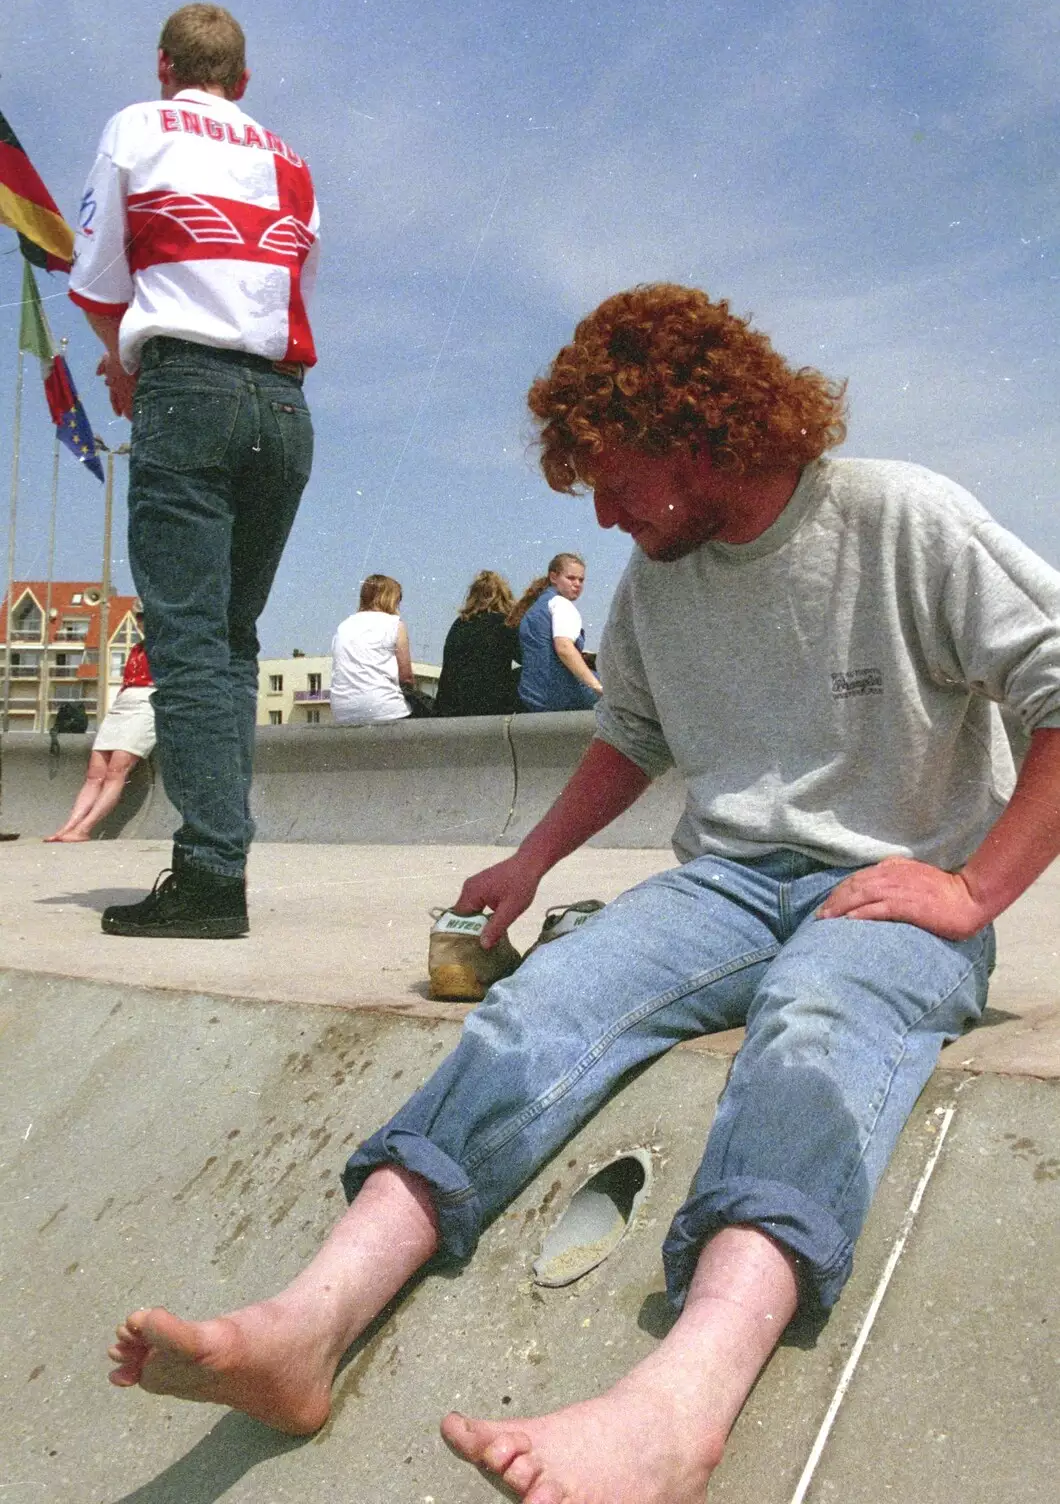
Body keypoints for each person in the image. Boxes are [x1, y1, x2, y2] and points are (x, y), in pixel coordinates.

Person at [104, 283, 1060, 1504]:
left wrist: (972, 890)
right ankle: (310, 1323)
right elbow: (630, 737)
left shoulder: (898, 517)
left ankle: (679, 1409)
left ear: (707, 430)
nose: (603, 517)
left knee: (817, 1032)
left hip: (890, 882)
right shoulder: (660, 578)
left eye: (616, 482)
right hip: (723, 883)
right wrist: (530, 861)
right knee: (544, 1002)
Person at [68, 3, 319, 938]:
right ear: (243, 80)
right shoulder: (289, 157)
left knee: (184, 648)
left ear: (164, 63)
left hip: (190, 395)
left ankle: (213, 878)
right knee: (232, 641)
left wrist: (128, 365)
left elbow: (96, 279)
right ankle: (220, 860)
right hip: (286, 407)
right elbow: (278, 280)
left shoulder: (139, 123)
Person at [45, 636, 156, 842]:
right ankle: (69, 827)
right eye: (140, 617)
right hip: (122, 703)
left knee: (117, 770)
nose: (143, 621)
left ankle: (85, 828)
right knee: (95, 774)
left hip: (147, 702)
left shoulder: (171, 642)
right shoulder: (138, 647)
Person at [511, 552, 602, 711]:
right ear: (553, 577)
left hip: (531, 696)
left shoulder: (532, 611)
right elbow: (564, 648)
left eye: (581, 580)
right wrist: (598, 687)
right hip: (560, 695)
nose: (577, 584)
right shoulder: (561, 604)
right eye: (571, 578)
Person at [330, 574, 415, 725]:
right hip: (384, 709)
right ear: (389, 598)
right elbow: (406, 677)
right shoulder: (395, 624)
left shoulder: (343, 626)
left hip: (343, 713)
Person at [433, 569, 521, 716]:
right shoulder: (504, 624)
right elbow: (526, 658)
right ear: (504, 596)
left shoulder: (459, 623)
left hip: (448, 706)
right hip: (488, 706)